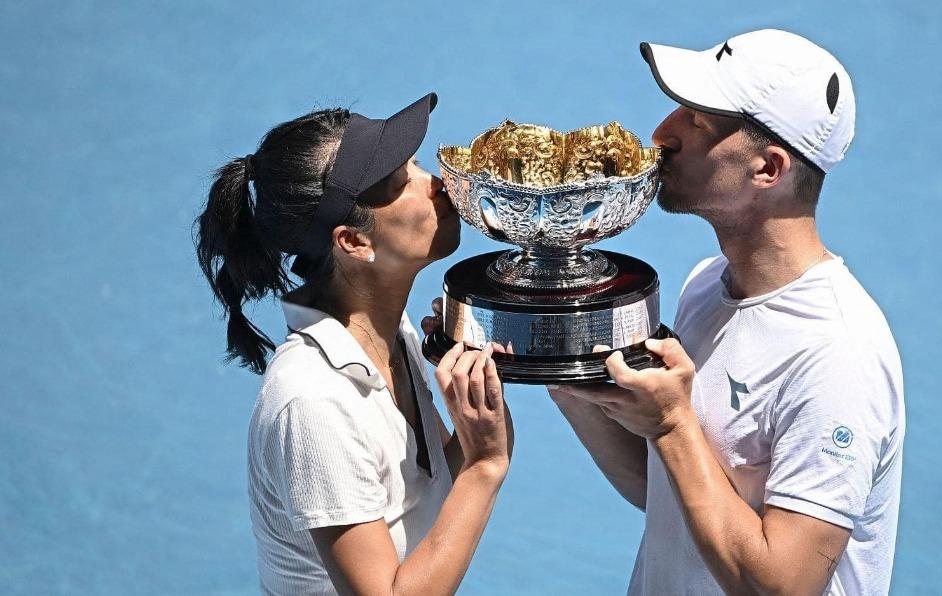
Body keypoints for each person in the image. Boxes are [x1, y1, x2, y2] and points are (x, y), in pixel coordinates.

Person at [550, 30, 905, 595]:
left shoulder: (838, 354)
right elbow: (665, 492)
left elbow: (782, 585)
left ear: (769, 168)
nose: (661, 134)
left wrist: (671, 425)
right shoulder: (704, 287)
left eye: (697, 121)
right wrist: (569, 380)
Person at [194, 93, 513, 596]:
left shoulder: (387, 334)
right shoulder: (315, 404)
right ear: (353, 242)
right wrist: (485, 465)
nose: (440, 183)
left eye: (415, 164)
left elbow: (421, 504)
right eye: (401, 182)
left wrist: (477, 412)